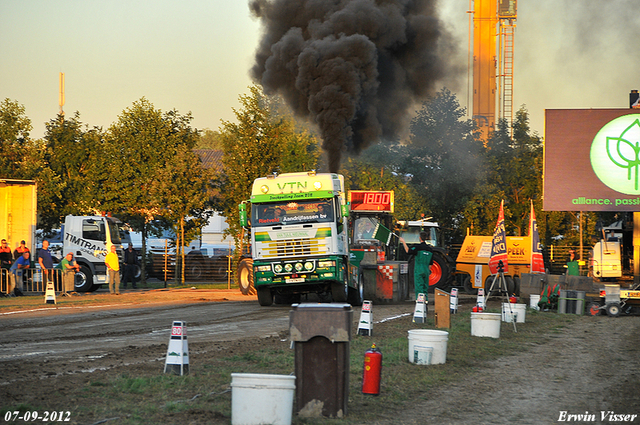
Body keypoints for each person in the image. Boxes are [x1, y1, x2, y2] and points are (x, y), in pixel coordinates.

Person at [399, 231, 434, 302]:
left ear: (419, 238)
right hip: (426, 270)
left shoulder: (417, 247)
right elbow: (430, 264)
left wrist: (403, 242)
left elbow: (408, 251)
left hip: (419, 270)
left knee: (419, 287)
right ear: (426, 238)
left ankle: (420, 304)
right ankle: (425, 302)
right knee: (425, 287)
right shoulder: (430, 250)